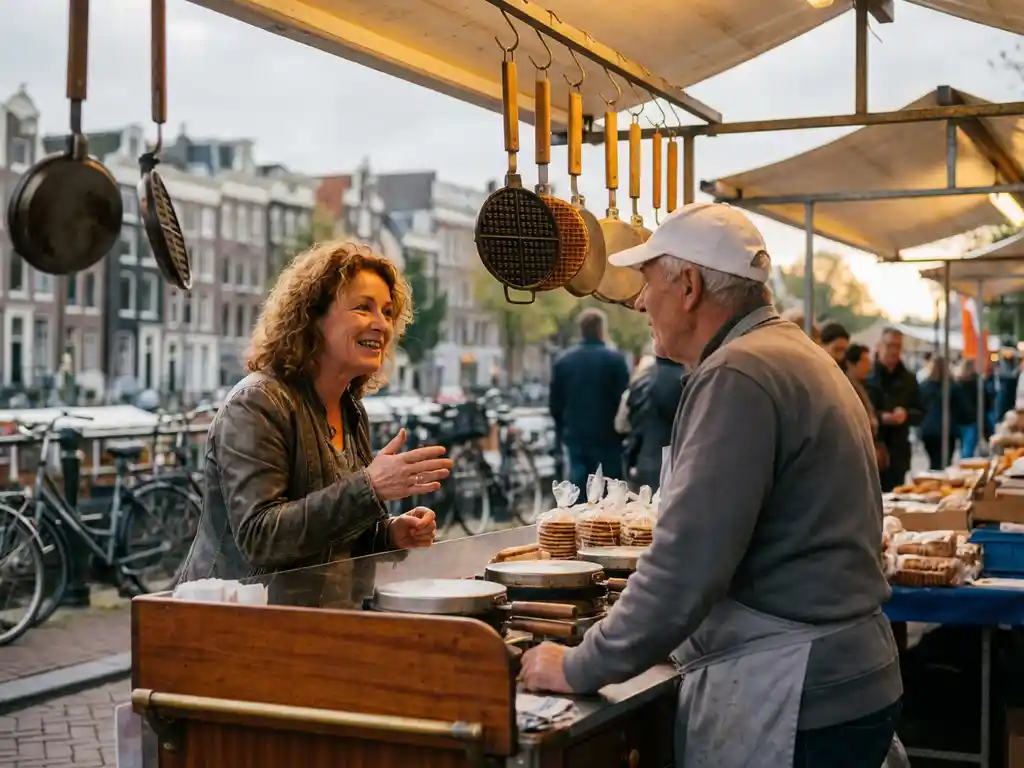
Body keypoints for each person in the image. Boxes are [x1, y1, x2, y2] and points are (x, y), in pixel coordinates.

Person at [521, 202, 901, 768]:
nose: (643, 303)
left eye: (649, 283)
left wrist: (577, 664)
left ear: (690, 286)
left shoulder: (738, 372)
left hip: (796, 691)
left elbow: (685, 567)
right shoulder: (796, 354)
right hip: (842, 677)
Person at [179, 241, 452, 583]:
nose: (381, 324)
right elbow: (260, 538)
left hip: (315, 622)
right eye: (363, 308)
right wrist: (370, 487)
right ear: (312, 318)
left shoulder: (350, 410)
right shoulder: (256, 403)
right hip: (237, 620)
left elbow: (332, 533)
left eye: (386, 311)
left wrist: (390, 533)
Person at [550, 308, 630, 490]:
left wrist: (562, 431)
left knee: (578, 490)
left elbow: (555, 404)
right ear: (602, 330)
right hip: (608, 438)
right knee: (608, 492)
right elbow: (624, 400)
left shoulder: (564, 361)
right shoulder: (615, 360)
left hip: (576, 436)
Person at [621, 347, 686, 492]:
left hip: (641, 462)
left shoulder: (641, 379)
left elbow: (623, 423)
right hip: (676, 466)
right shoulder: (687, 380)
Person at [869, 328, 923, 492]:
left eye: (897, 346)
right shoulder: (867, 376)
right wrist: (880, 417)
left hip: (899, 453)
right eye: (889, 345)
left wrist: (906, 415)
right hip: (873, 451)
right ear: (879, 346)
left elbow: (920, 412)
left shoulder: (909, 379)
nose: (893, 350)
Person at [918, 357, 970, 469]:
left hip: (928, 430)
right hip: (947, 430)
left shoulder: (924, 386)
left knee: (934, 462)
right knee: (945, 464)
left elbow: (918, 407)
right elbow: (964, 409)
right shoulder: (953, 387)